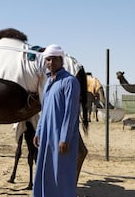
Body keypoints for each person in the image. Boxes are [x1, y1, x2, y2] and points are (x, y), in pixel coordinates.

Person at [33, 44, 81, 197]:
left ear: (61, 60)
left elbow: (71, 112)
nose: (50, 63)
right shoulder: (48, 82)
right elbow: (45, 109)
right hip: (47, 135)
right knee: (45, 170)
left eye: (54, 59)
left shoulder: (70, 82)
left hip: (61, 137)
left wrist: (64, 138)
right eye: (48, 60)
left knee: (62, 172)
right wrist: (38, 131)